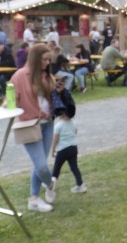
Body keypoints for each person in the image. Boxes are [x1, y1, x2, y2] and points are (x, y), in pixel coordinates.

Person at [10, 44, 57, 213]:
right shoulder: (20, 76)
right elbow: (10, 99)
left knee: (39, 164)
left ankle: (34, 199)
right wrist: (8, 105)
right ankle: (50, 184)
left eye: (49, 59)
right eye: (45, 59)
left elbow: (53, 98)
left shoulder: (48, 76)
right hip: (29, 125)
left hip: (48, 124)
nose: (47, 63)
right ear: (36, 58)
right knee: (42, 166)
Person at [50, 78, 87, 194]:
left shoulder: (58, 125)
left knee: (56, 169)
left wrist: (53, 150)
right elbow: (75, 132)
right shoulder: (74, 123)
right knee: (74, 167)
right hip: (73, 148)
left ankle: (51, 186)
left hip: (62, 149)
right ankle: (81, 185)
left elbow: (55, 139)